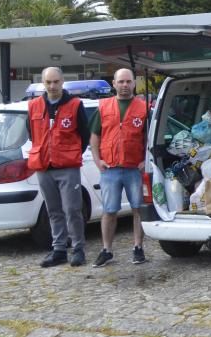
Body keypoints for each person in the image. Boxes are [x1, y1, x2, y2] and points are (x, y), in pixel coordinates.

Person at [27, 67, 91, 268]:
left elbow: (84, 135)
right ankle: (59, 250)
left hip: (67, 166)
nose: (52, 86)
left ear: (62, 82)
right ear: (43, 83)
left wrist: (70, 154)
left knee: (72, 209)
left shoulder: (74, 104)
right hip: (44, 166)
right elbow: (32, 134)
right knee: (53, 210)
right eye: (48, 82)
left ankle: (78, 249)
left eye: (56, 82)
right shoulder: (34, 106)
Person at [89, 68, 147, 267]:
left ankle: (138, 248)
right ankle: (107, 250)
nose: (124, 85)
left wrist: (145, 160)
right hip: (110, 168)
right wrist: (97, 161)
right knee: (109, 210)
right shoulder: (103, 106)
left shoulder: (144, 107)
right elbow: (95, 136)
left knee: (138, 208)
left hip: (134, 168)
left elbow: (149, 138)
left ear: (134, 84)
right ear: (113, 83)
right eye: (120, 81)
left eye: (128, 81)